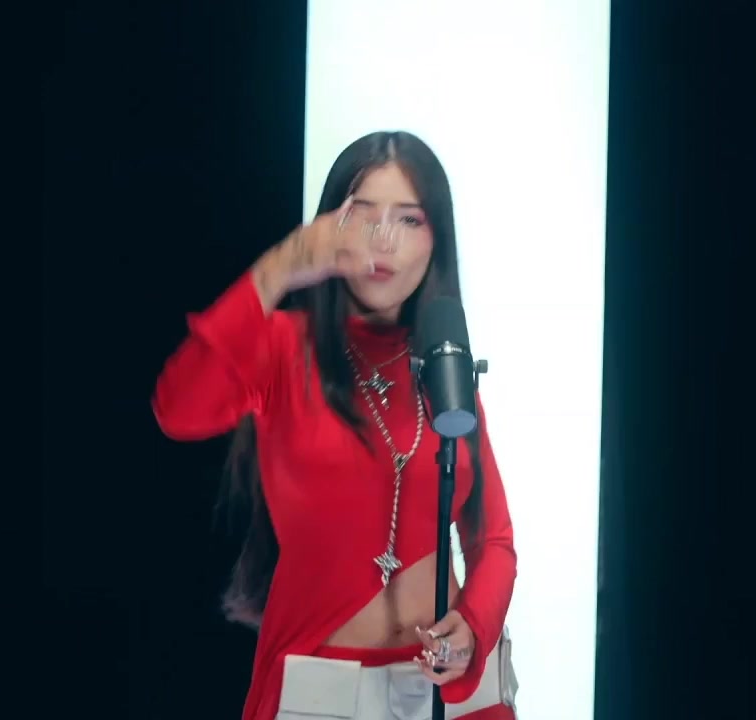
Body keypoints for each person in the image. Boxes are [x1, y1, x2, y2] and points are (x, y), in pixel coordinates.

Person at [152, 131, 518, 720]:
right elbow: (179, 408)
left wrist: (473, 629)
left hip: (453, 699)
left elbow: (492, 539)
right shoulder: (285, 349)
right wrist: (282, 266)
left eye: (409, 219)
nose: (384, 239)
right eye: (362, 215)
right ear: (329, 227)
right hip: (321, 694)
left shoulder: (445, 361)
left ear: (437, 239)